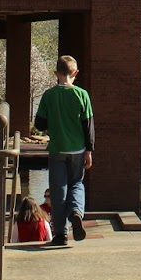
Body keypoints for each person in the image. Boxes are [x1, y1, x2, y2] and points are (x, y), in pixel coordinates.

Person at [33, 54, 94, 247]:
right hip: (78, 150)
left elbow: (39, 124)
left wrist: (54, 120)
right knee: (76, 183)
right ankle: (76, 212)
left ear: (56, 73)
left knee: (58, 191)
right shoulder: (82, 95)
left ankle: (61, 234)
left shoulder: (49, 95)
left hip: (57, 149)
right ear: (75, 73)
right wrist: (89, 151)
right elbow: (88, 126)